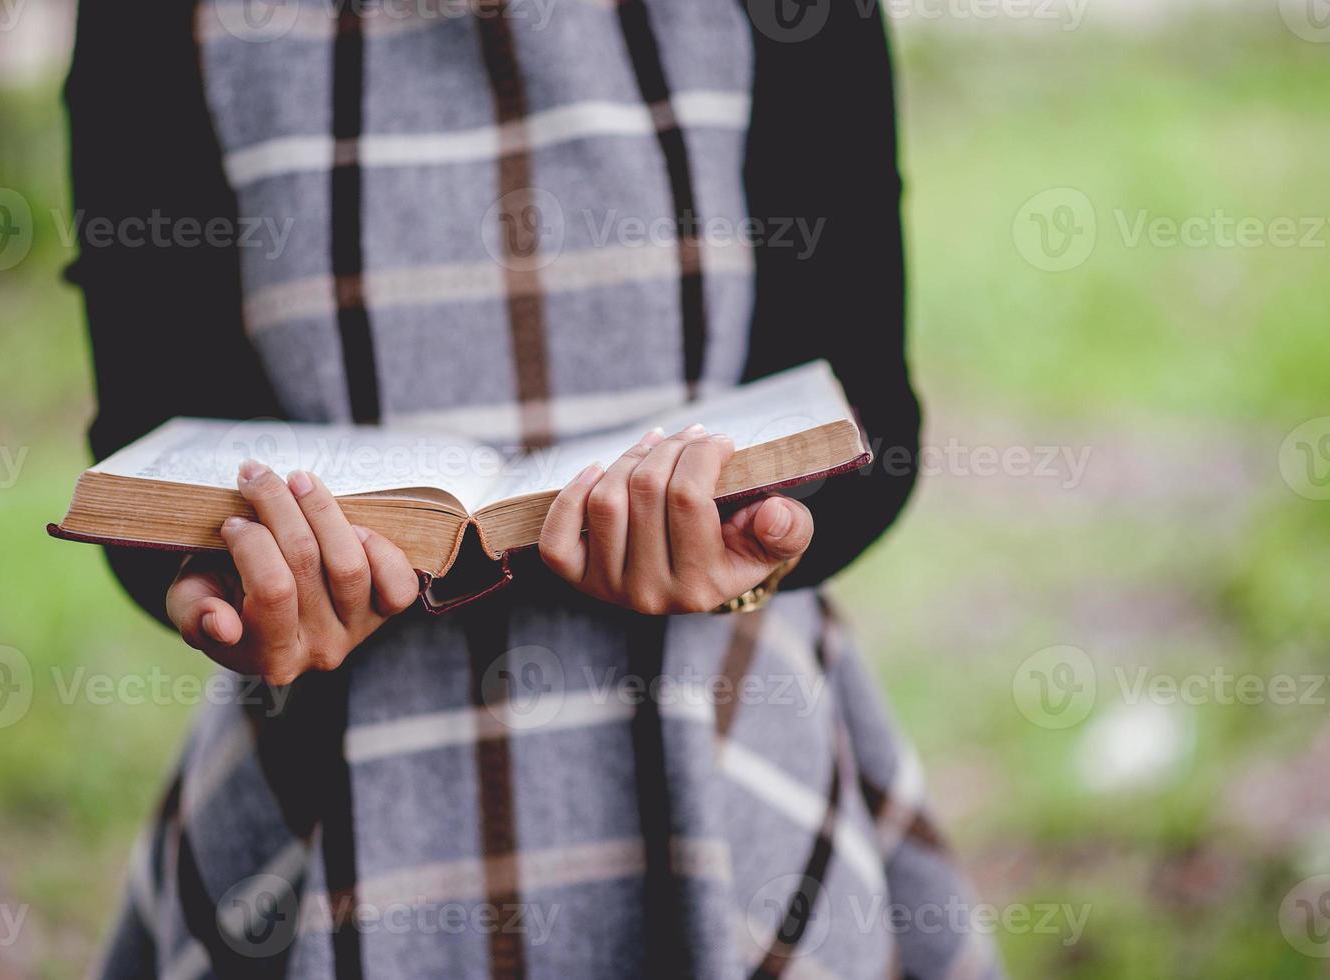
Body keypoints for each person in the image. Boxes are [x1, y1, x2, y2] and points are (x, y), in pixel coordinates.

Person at [67, 0, 1001, 975]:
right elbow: (152, 428)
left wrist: (754, 548)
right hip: (326, 778)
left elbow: (868, 412)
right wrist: (233, 591)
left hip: (720, 746)